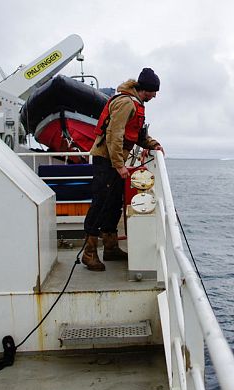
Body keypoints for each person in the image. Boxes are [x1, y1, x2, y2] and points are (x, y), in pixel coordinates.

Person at [81, 68, 164, 271]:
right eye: (154, 91)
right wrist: (119, 165)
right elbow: (114, 134)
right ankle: (89, 253)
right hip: (106, 161)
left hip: (114, 161)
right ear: (146, 89)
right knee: (100, 204)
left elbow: (138, 136)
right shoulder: (126, 103)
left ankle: (110, 248)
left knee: (113, 204)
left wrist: (154, 145)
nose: (155, 95)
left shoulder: (136, 104)